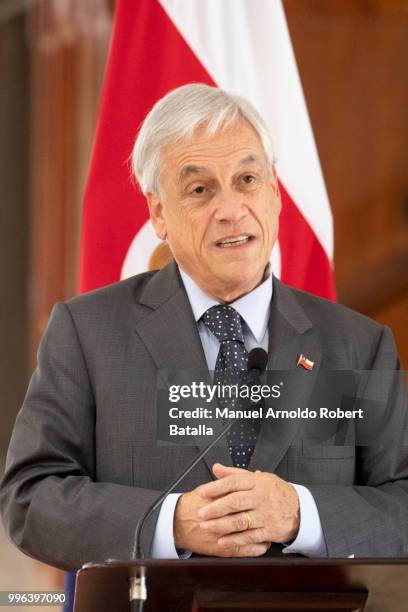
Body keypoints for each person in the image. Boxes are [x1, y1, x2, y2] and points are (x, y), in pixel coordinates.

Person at [1, 84, 407, 571]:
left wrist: (301, 515)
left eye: (248, 179)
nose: (231, 209)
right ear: (158, 214)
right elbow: (30, 498)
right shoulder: (87, 333)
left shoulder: (360, 346)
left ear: (276, 194)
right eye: (200, 189)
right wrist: (169, 524)